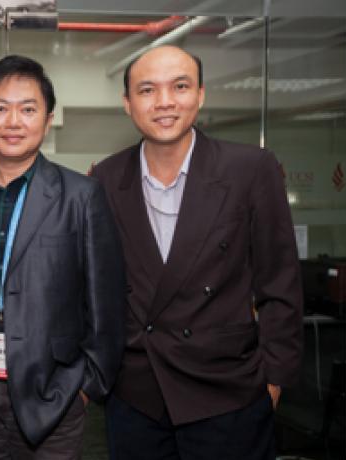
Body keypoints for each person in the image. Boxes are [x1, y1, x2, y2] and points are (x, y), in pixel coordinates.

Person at [91, 45, 304, 460]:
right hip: (138, 397)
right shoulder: (104, 178)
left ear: (201, 95)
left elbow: (280, 281)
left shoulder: (250, 169)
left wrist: (273, 380)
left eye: (180, 86)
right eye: (148, 89)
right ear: (127, 103)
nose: (165, 101)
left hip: (228, 393)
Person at [0, 55, 126, 459]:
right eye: (0, 109)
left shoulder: (81, 196)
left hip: (54, 392)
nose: (13, 121)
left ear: (48, 118)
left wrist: (85, 388)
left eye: (28, 109)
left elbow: (105, 305)